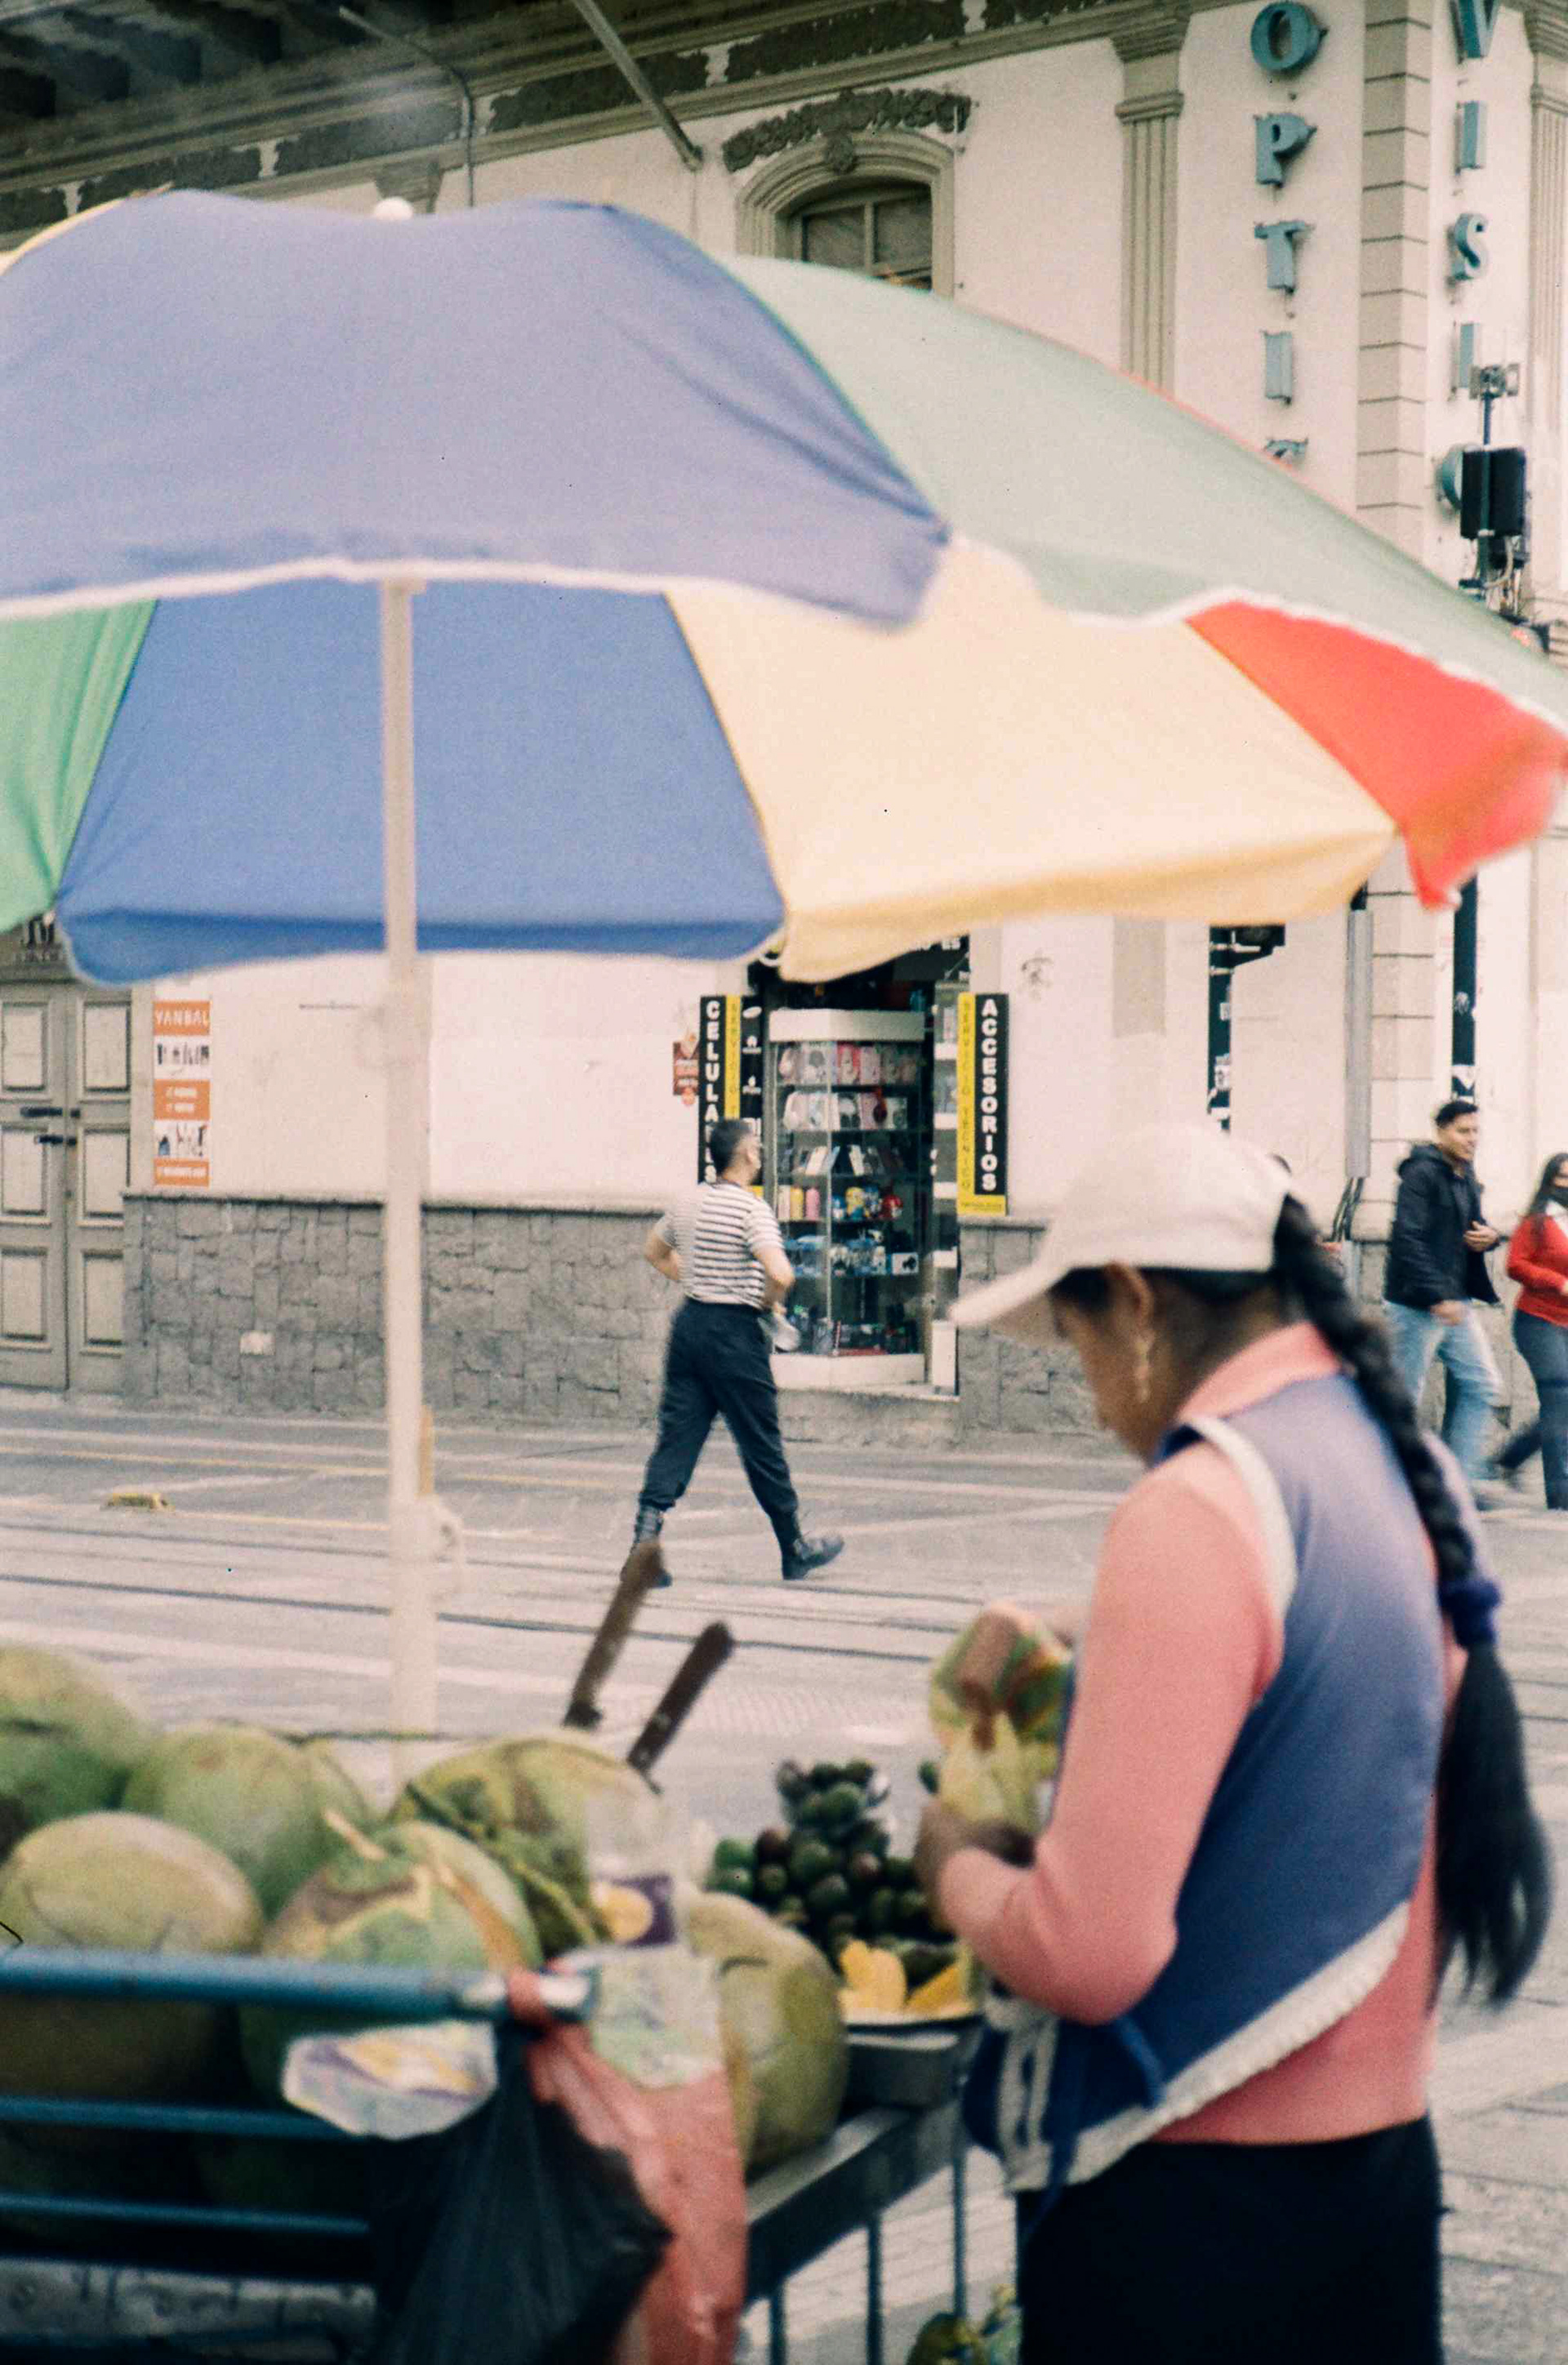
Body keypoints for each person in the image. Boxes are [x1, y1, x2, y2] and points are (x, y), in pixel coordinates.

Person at [915, 1122, 1550, 2365]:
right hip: (1374, 2184)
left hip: (1190, 2216)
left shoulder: (1197, 1501)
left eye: (1080, 1337)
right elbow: (1310, 1651)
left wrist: (951, 1855)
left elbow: (1086, 1948)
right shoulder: (1400, 1458)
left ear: (1139, 1301)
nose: (1092, 1389)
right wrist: (1081, 1627)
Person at [630, 1119, 843, 1584]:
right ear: (745, 1154)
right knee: (760, 1442)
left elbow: (654, 1250)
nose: (761, 1152)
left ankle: (643, 1548)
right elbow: (782, 1274)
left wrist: (695, 1277)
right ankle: (794, 1546)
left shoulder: (687, 1201)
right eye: (757, 1146)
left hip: (690, 1328)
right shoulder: (752, 1210)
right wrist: (766, 1302)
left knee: (677, 1437)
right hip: (735, 1335)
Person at [1382, 1099, 1503, 1493]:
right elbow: (1406, 1238)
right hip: (1418, 1305)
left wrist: (1490, 1237)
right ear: (1441, 1132)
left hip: (1456, 1302)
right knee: (1404, 1397)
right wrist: (1437, 1295)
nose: (1472, 1140)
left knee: (1482, 1383)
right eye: (1462, 1131)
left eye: (1476, 1131)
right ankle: (1390, 1485)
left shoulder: (1464, 1173)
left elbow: (1472, 1226)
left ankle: (1457, 1482)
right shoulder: (1421, 1174)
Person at [1491, 1151, 1568, 1510]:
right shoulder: (1536, 1222)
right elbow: (1515, 1265)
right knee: (1558, 1394)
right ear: (1549, 1180)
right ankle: (1560, 1492)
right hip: (1538, 1321)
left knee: (1563, 1403)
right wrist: (1558, 1282)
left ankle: (1510, 1458)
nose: (1567, 1184)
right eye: (1562, 1177)